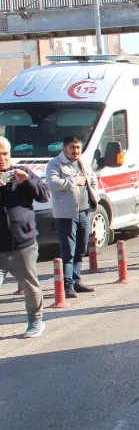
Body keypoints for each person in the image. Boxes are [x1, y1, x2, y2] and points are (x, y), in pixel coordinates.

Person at [0, 138, 50, 337]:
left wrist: (26, 182)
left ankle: (35, 320)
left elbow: (44, 195)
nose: (2, 159)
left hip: (23, 244)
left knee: (30, 287)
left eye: (5, 154)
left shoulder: (24, 173)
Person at [46, 135, 98, 299]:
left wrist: (93, 195)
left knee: (81, 250)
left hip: (84, 212)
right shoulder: (55, 164)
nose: (76, 151)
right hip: (66, 215)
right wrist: (73, 181)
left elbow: (93, 181)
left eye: (78, 148)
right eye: (72, 148)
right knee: (68, 250)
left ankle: (76, 280)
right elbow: (52, 183)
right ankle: (67, 284)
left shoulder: (83, 163)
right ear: (64, 149)